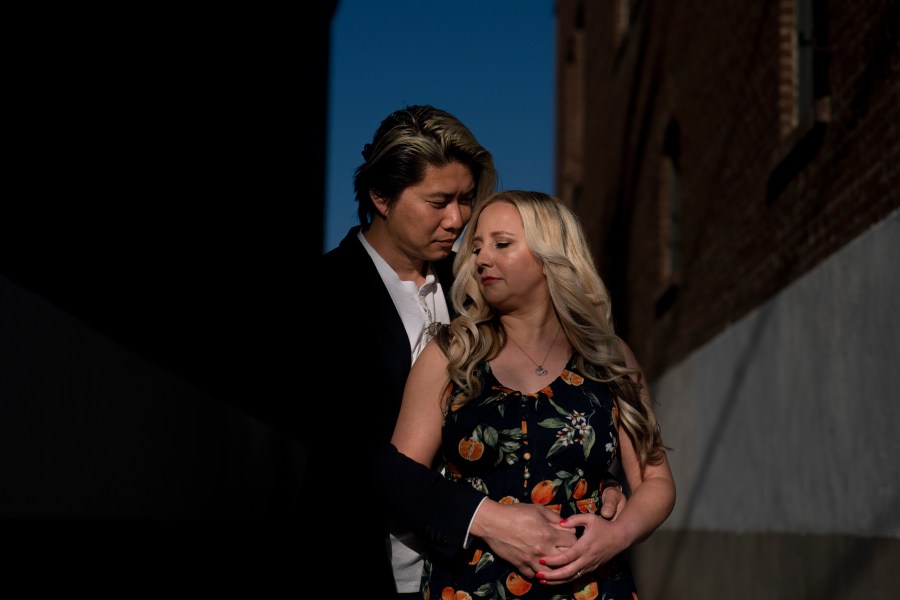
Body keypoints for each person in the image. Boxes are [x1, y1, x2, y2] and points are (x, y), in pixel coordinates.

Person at [306, 106, 627, 598]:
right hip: (370, 569)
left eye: (466, 199)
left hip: (496, 577)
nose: (458, 219)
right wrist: (484, 518)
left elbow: (540, 394)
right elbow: (344, 451)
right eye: (439, 201)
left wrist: (595, 479)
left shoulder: (486, 281)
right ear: (381, 197)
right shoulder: (323, 296)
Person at [385, 190, 676, 598]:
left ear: (549, 256)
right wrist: (487, 520)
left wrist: (617, 535)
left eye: (502, 244)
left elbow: (656, 480)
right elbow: (399, 481)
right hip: (471, 587)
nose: (482, 258)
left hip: (591, 585)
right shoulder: (451, 353)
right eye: (478, 247)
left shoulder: (607, 357)